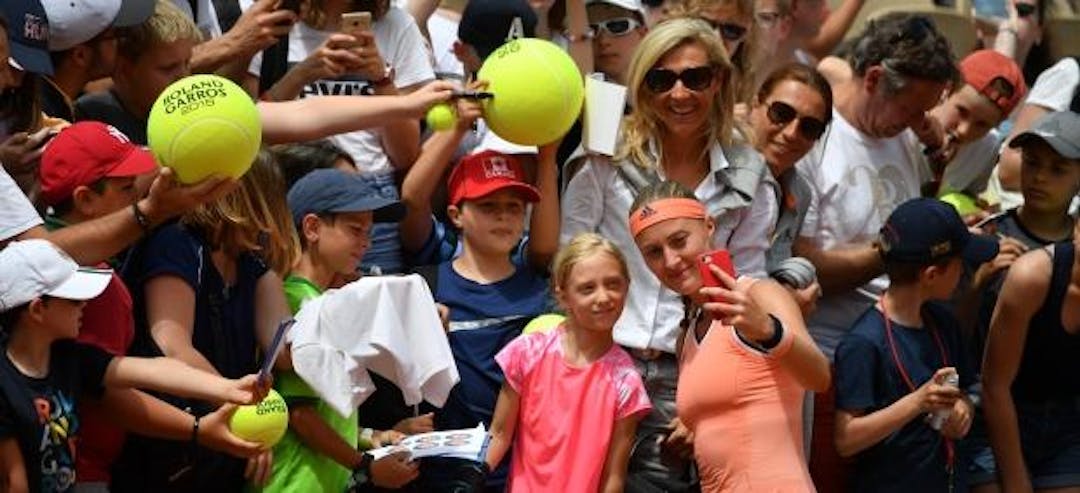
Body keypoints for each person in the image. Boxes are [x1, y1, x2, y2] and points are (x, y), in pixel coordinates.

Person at [561, 17, 772, 491]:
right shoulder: (604, 155)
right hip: (603, 358)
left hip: (687, 375)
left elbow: (745, 290)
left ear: (719, 80)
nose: (680, 94)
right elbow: (571, 256)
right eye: (662, 79)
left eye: (695, 77)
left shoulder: (748, 175)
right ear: (642, 84)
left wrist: (708, 401)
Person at [0, 239, 269, 493]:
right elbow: (15, 483)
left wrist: (228, 388)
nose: (85, 304)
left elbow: (152, 370)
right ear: (37, 310)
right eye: (73, 299)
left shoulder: (68, 358)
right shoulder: (5, 383)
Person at [111, 151, 295, 492]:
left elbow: (283, 352)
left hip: (218, 440)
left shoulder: (252, 266)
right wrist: (240, 408)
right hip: (169, 441)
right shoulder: (177, 244)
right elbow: (172, 343)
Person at [628, 181, 830, 491]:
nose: (670, 260)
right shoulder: (687, 332)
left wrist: (769, 331)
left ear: (709, 226)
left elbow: (819, 377)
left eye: (679, 241)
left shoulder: (761, 294)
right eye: (654, 252)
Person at [400, 141, 559, 491]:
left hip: (523, 474)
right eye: (489, 206)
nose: (504, 216)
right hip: (438, 476)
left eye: (514, 207)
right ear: (456, 215)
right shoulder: (424, 287)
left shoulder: (541, 292)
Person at [251, 168, 418, 493]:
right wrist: (365, 465)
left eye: (369, 232)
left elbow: (326, 410)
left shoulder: (320, 300)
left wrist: (372, 437)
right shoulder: (295, 301)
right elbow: (299, 415)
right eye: (355, 229)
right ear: (312, 227)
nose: (366, 243)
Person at [245, 0, 435, 275]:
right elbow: (247, 127)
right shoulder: (271, 20)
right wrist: (302, 74)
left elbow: (404, 153)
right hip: (285, 191)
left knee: (371, 311)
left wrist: (381, 79)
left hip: (369, 198)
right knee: (290, 310)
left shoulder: (396, 26)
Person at [833, 198, 998, 492]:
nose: (965, 273)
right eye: (961, 265)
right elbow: (846, 439)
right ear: (931, 275)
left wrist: (964, 407)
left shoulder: (943, 322)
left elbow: (971, 387)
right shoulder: (864, 343)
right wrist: (917, 402)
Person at [485, 233, 652, 492]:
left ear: (627, 287)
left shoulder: (626, 380)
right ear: (562, 295)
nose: (603, 297)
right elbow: (499, 435)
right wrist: (469, 479)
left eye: (613, 284)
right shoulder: (528, 352)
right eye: (587, 288)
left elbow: (613, 477)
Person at [976, 116, 1080, 493]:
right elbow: (953, 333)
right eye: (1032, 163)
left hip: (1062, 411)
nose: (1038, 178)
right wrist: (977, 282)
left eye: (1057, 169)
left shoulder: (1075, 248)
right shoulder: (988, 234)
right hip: (985, 405)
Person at [746, 63, 831, 304]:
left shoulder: (801, 193)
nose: (792, 133)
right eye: (781, 113)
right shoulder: (718, 167)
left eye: (809, 127)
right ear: (755, 105)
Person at [38, 0, 153, 121]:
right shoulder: (41, 124)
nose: (123, 43)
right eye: (118, 34)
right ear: (80, 55)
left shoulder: (43, 100)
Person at [664, 0, 758, 101]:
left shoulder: (742, 79)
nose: (717, 39)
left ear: (745, 36)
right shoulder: (659, 65)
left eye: (731, 30)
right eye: (705, 25)